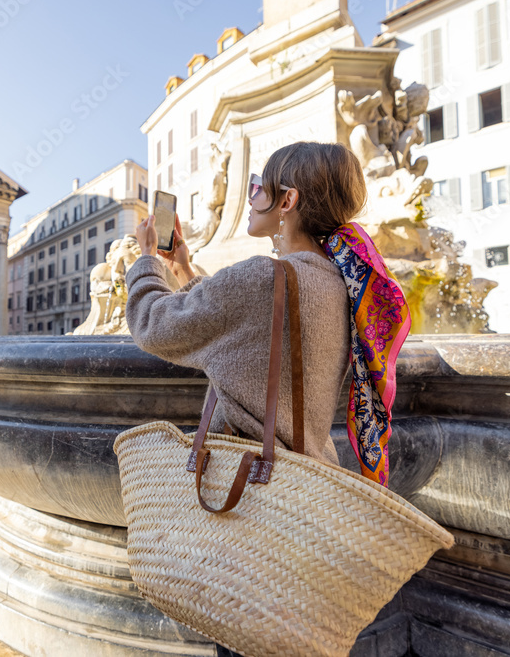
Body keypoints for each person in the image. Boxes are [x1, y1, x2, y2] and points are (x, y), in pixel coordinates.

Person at [126, 143, 410, 656]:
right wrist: (186, 271)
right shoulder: (340, 285)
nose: (251, 195)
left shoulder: (263, 278)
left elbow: (153, 325)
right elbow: (253, 332)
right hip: (302, 504)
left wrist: (147, 260)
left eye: (258, 186)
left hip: (244, 504)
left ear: (287, 201)